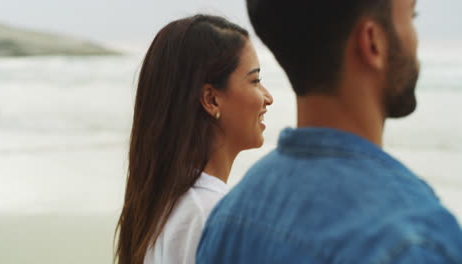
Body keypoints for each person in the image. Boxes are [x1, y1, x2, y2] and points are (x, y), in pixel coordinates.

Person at [197, 0, 462, 263]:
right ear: (373, 42)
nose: (416, 42)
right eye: (411, 17)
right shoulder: (413, 239)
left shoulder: (230, 218)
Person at [114, 14, 273, 264]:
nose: (268, 97)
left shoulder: (162, 207)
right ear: (211, 100)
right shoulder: (212, 215)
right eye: (255, 80)